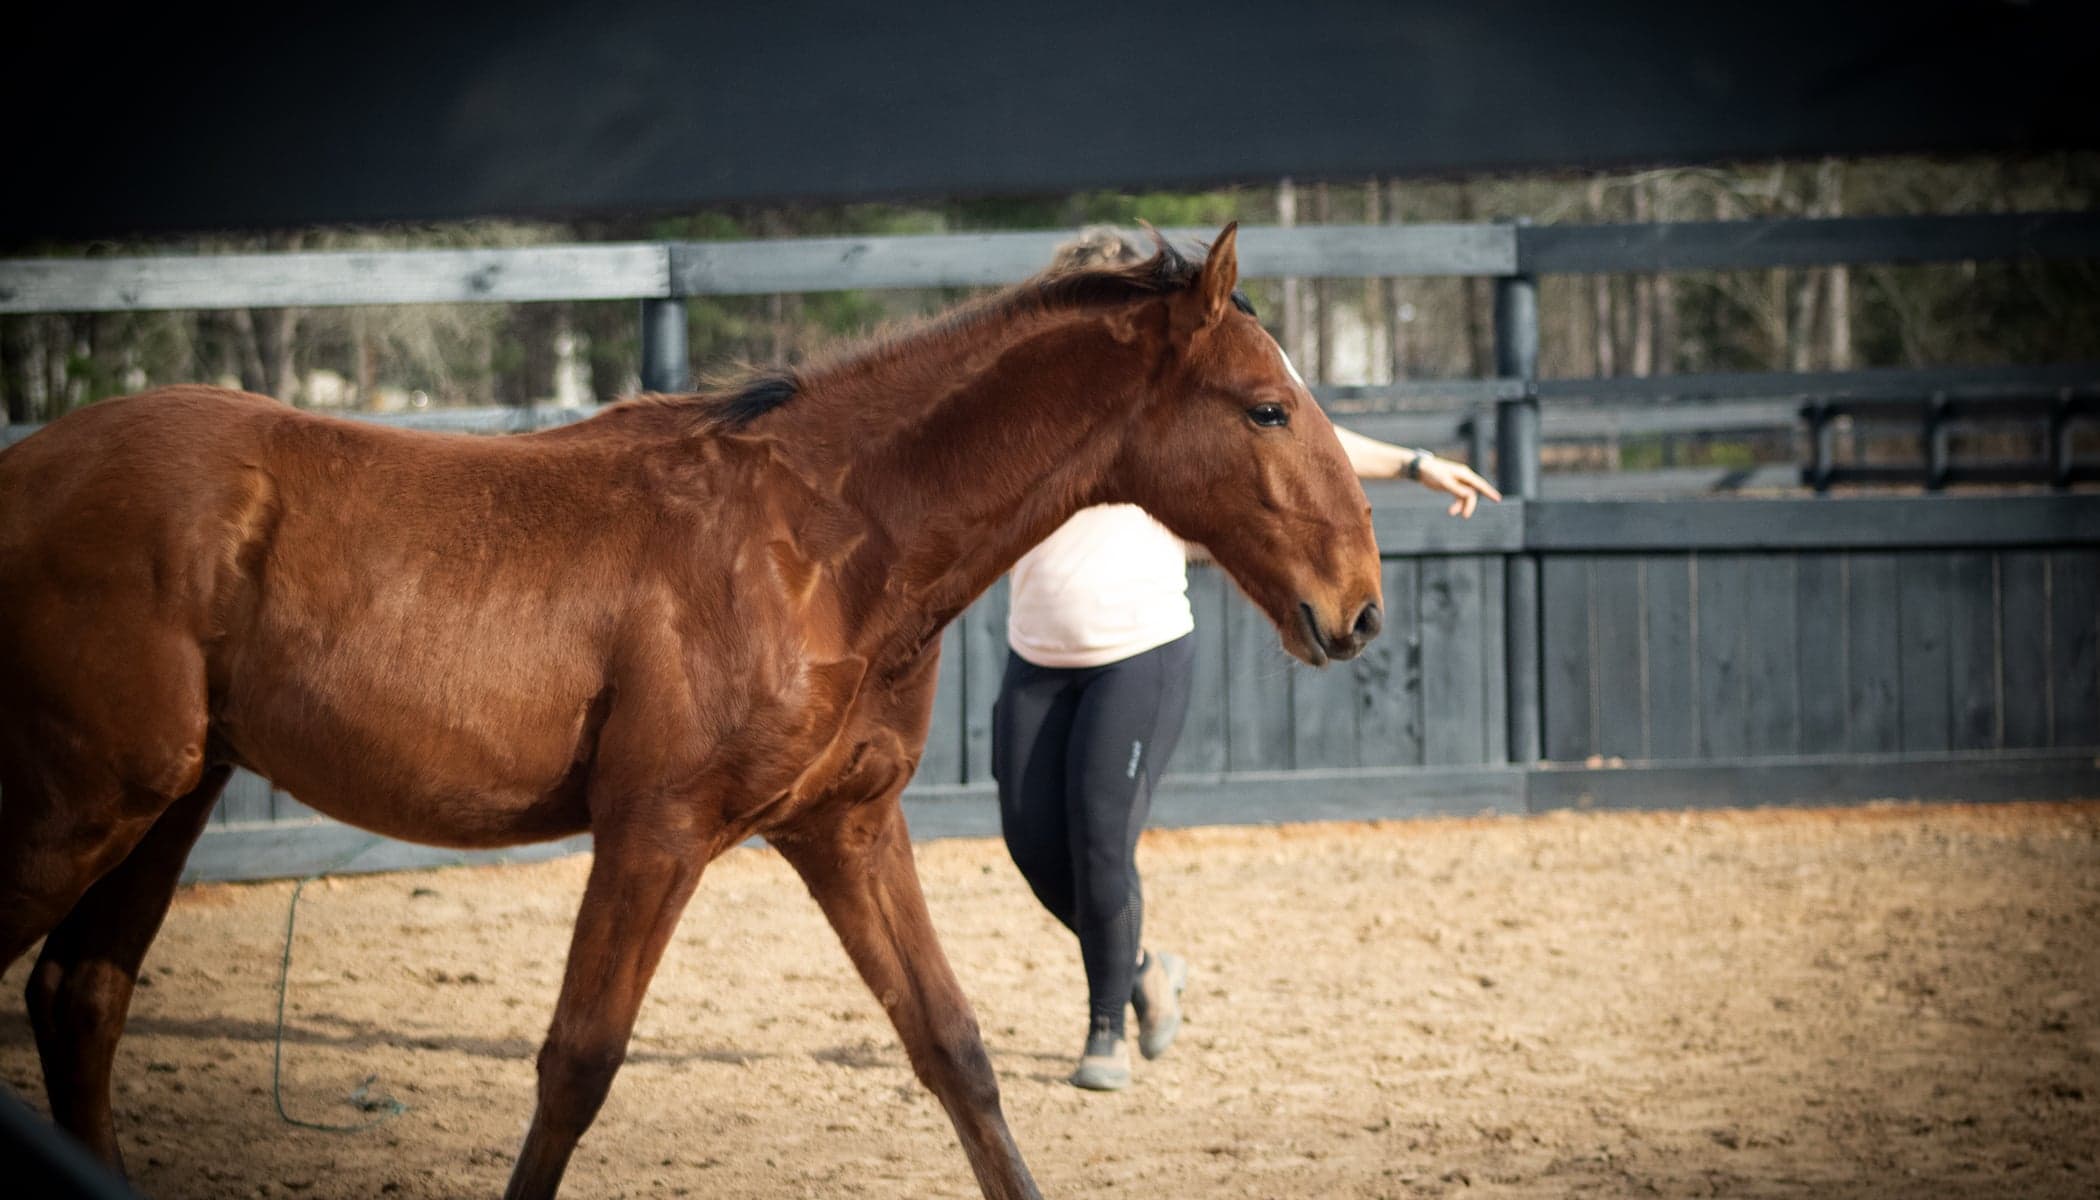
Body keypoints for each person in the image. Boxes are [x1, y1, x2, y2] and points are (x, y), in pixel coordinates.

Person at [992, 227, 1502, 1091]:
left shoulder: (1163, 404)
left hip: (1136, 647)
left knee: (1099, 839)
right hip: (1035, 649)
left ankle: (1106, 1029)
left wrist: (1415, 464)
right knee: (1033, 847)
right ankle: (1146, 967)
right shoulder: (1034, 407)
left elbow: (1297, 433)